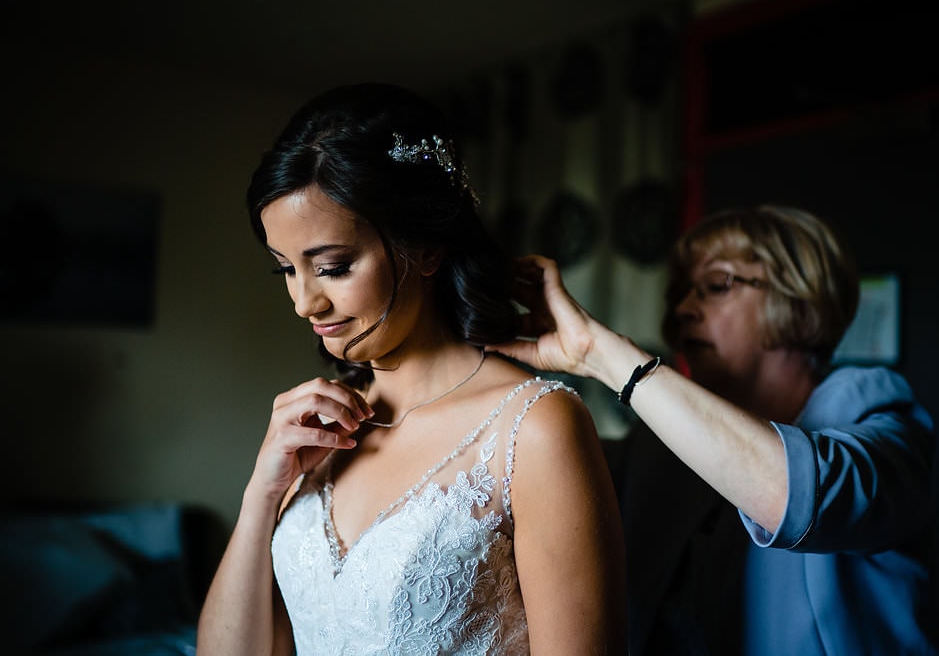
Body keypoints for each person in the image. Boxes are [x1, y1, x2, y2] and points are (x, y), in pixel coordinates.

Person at [197, 83, 626, 655]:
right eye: (286, 271)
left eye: (332, 266)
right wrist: (263, 491)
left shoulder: (534, 427)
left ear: (422, 246)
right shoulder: (315, 430)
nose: (304, 303)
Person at [492, 205, 937, 655]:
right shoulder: (652, 448)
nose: (684, 310)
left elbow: (798, 495)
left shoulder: (874, 409)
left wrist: (599, 354)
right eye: (682, 294)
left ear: (799, 303)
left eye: (717, 286)